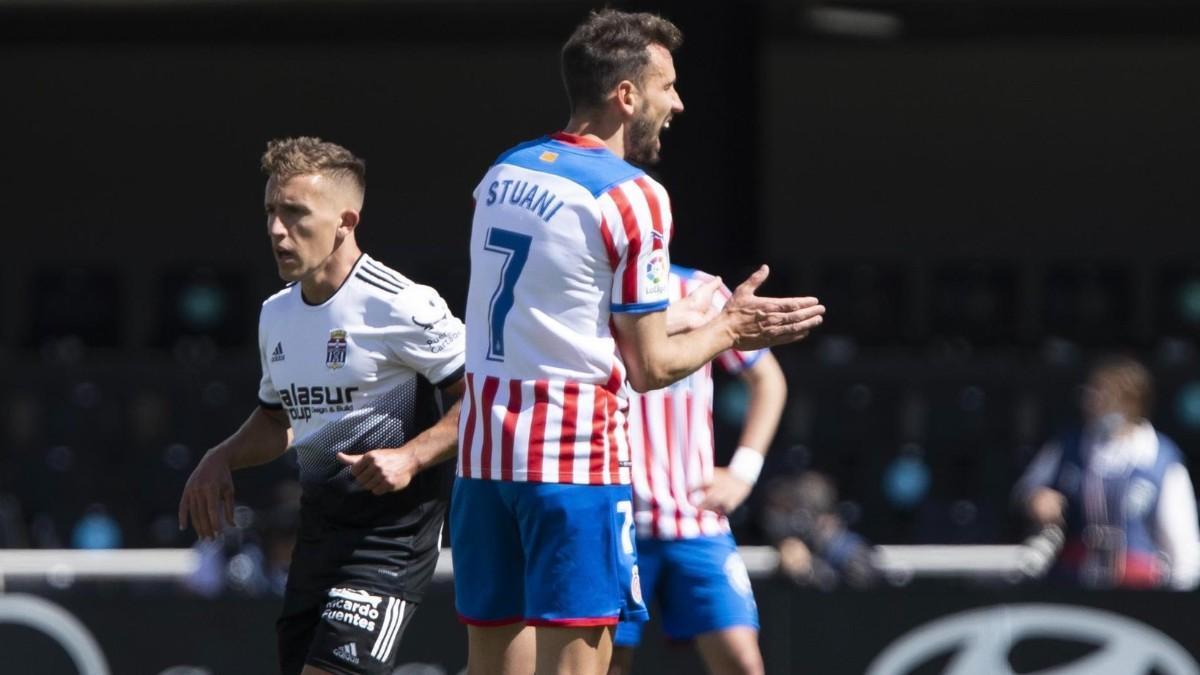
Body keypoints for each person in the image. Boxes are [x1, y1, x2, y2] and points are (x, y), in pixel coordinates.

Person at [451, 10, 826, 675]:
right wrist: (731, 329)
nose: (677, 103)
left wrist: (693, 320)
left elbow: (560, 320)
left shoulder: (502, 174)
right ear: (627, 96)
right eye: (667, 87)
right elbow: (652, 367)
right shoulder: (633, 194)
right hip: (571, 466)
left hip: (484, 464)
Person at [178, 137, 466, 674]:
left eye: (294, 214)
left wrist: (411, 456)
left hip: (389, 542)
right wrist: (220, 456)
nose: (276, 230)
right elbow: (276, 420)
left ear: (345, 221)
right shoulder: (276, 314)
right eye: (270, 212)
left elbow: (488, 401)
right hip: (317, 540)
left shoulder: (401, 304)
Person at [608, 265, 786, 675]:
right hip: (616, 519)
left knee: (743, 661)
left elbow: (768, 380)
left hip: (696, 519)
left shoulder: (701, 290)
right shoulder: (591, 293)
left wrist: (743, 471)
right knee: (606, 664)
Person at [1014, 355, 1200, 589]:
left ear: (1132, 402)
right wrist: (1035, 498)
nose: (1093, 403)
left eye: (1104, 396)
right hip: (1074, 580)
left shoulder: (1160, 459)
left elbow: (1182, 543)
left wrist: (1180, 596)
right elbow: (1027, 488)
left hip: (1138, 588)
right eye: (1090, 394)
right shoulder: (1069, 446)